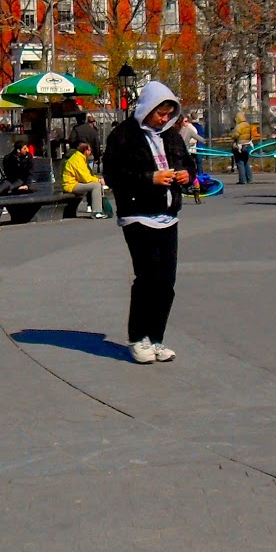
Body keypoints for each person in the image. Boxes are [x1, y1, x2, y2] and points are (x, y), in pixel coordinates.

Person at [103, 80, 190, 365]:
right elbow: (114, 175)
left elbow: (187, 163)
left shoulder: (172, 136)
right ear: (147, 109)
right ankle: (138, 336)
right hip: (138, 214)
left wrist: (186, 175)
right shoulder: (123, 135)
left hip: (168, 214)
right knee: (148, 276)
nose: (163, 119)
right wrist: (149, 178)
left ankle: (157, 338)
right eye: (159, 114)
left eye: (168, 114)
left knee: (167, 280)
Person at [61, 141, 110, 219]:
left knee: (96, 184)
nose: (90, 152)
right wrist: (98, 180)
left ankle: (98, 209)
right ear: (85, 150)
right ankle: (96, 212)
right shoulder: (77, 160)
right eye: (89, 150)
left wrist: (97, 179)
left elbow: (87, 175)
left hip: (75, 183)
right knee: (96, 185)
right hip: (71, 185)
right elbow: (85, 178)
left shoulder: (80, 158)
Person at [232, 119, 255, 185]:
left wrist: (232, 134)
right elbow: (251, 135)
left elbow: (235, 136)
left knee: (240, 162)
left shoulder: (238, 126)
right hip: (247, 145)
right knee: (246, 162)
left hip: (239, 146)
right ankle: (249, 179)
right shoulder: (248, 125)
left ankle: (242, 180)